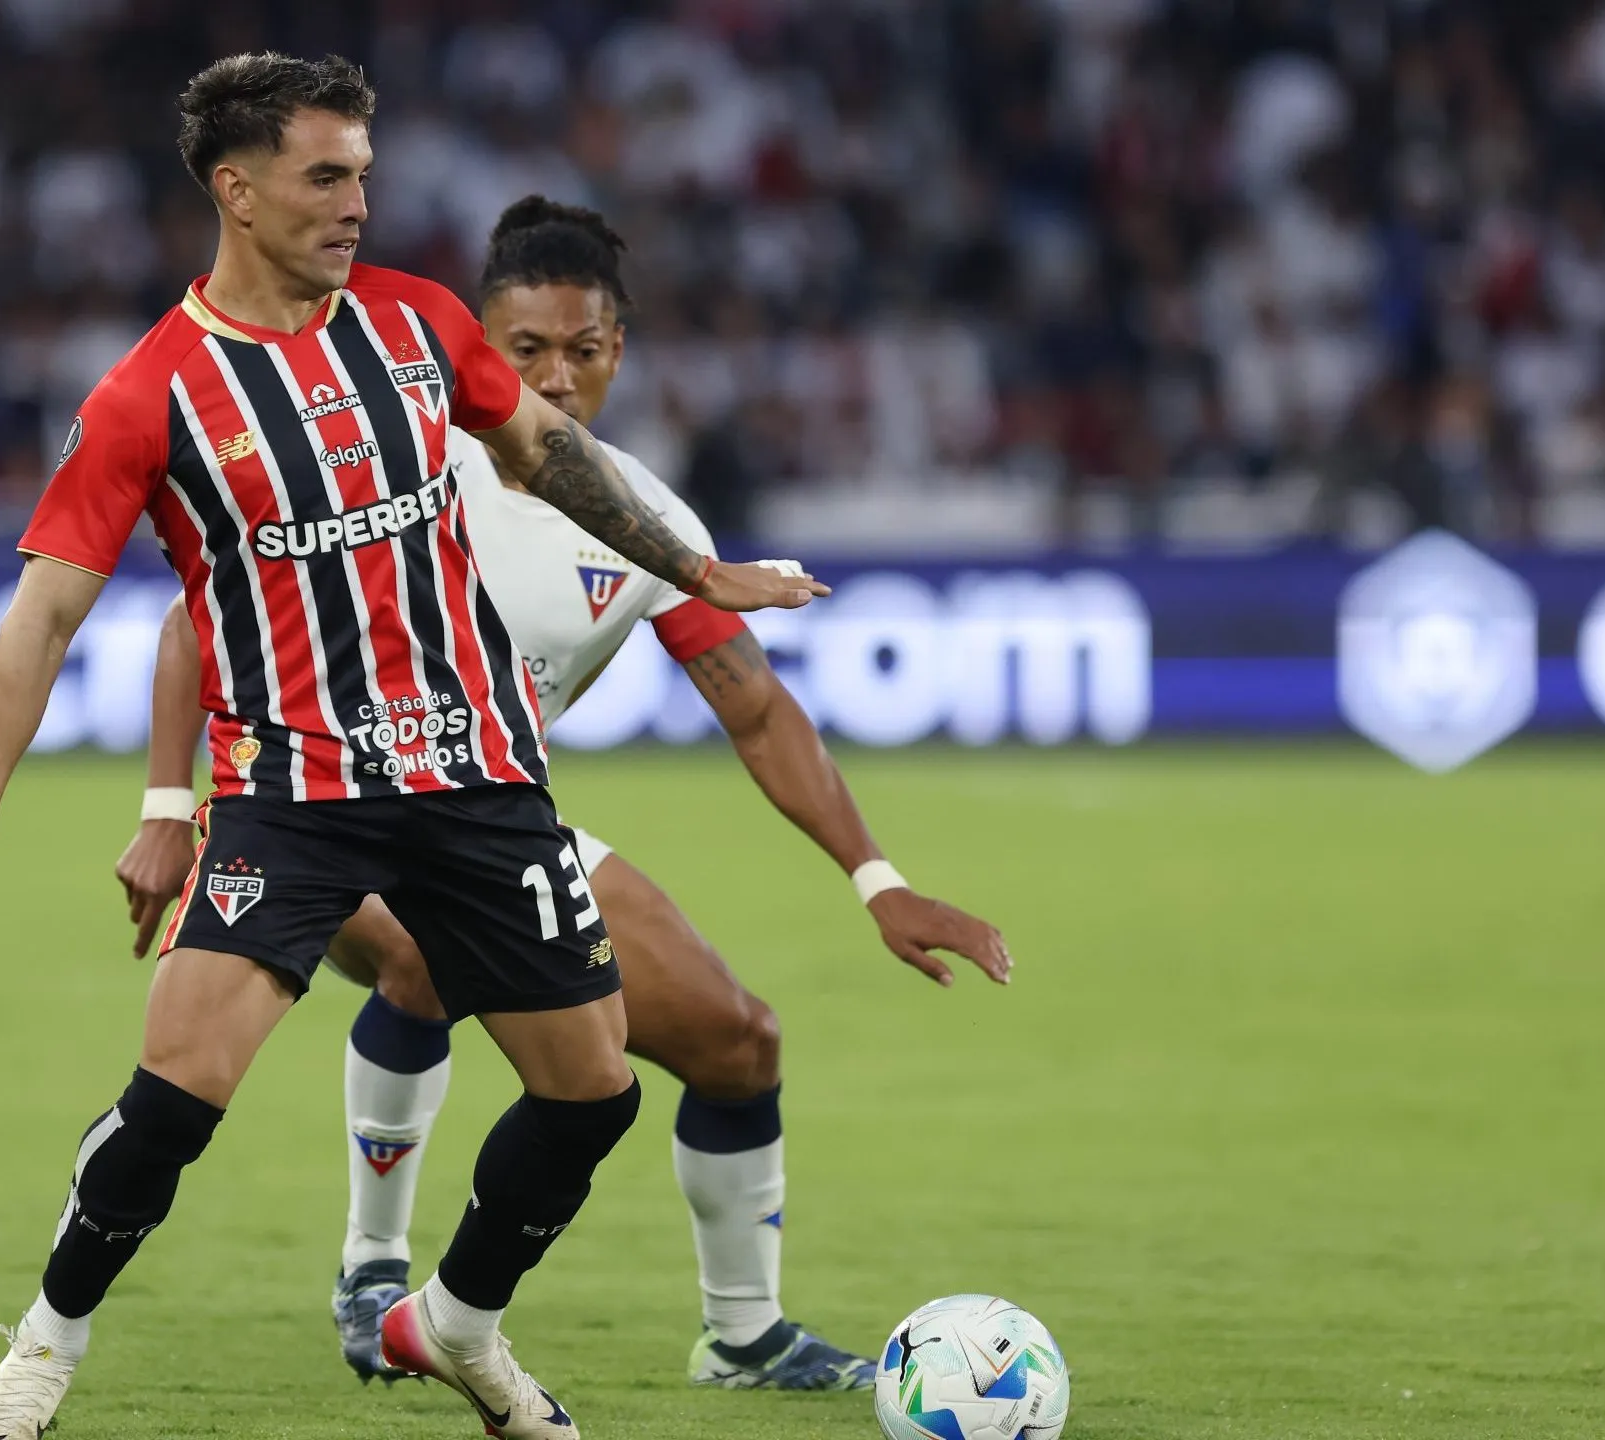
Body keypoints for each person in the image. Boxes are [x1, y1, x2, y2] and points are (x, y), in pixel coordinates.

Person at [0, 55, 825, 1440]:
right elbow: (35, 632)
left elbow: (549, 456)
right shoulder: (154, 395)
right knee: (173, 1105)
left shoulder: (415, 322)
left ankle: (456, 1325)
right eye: (326, 177)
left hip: (482, 780)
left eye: (365, 175)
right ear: (238, 190)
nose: (357, 204)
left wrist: (698, 567)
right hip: (294, 800)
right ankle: (39, 1353)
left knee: (593, 1097)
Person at [114, 198, 1012, 1396]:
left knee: (741, 1045)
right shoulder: (386, 444)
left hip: (480, 816)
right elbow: (193, 617)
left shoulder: (639, 519)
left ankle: (743, 1337)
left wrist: (878, 881)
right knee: (423, 953)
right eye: (523, 350)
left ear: (616, 351)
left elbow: (752, 705)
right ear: (477, 344)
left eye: (580, 349)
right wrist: (171, 802)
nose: (555, 375)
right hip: (301, 803)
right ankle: (373, 1268)